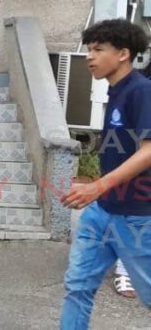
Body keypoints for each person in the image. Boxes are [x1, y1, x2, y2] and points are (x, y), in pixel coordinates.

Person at [59, 19, 151, 328]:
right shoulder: (115, 91)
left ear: (123, 54)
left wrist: (97, 186)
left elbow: (149, 151)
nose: (89, 56)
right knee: (77, 286)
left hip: (137, 214)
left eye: (98, 49)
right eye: (88, 49)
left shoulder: (141, 91)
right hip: (102, 212)